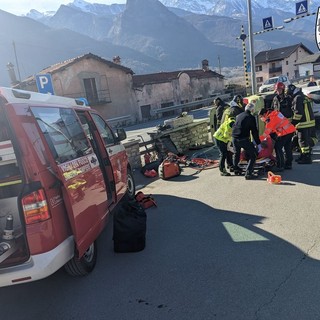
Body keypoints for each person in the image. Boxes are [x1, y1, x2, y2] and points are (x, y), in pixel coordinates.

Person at [286, 84, 315, 164]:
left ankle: (306, 158)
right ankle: (303, 155)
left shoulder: (297, 98)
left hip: (303, 123)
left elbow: (298, 113)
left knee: (302, 141)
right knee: (303, 140)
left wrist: (292, 123)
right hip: (309, 122)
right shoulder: (302, 96)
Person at [232, 103, 261, 180]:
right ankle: (248, 173)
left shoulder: (239, 115)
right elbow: (254, 131)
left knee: (236, 153)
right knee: (253, 155)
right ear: (252, 110)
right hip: (243, 139)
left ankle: (236, 169)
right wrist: (258, 143)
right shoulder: (250, 117)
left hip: (234, 138)